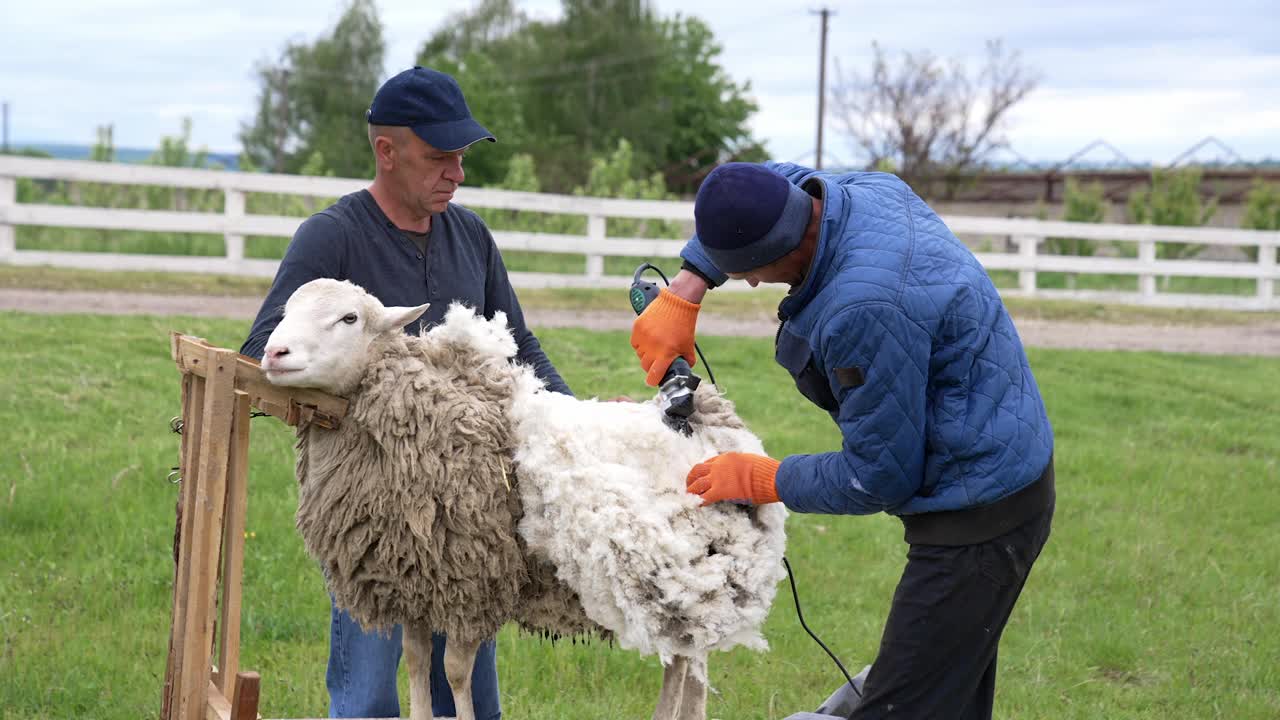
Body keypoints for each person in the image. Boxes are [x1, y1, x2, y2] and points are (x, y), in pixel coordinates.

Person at [630, 162, 1055, 719]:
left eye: (753, 271)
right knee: (947, 689)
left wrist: (763, 478)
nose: (754, 282)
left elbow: (879, 475)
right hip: (1005, 452)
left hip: (980, 509)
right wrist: (690, 283)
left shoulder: (863, 308)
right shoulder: (857, 192)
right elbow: (767, 178)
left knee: (904, 705)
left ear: (782, 248)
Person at [241, 66, 572, 720]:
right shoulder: (333, 237)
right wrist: (373, 403)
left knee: (469, 693)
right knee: (367, 697)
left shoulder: (471, 237)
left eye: (460, 158)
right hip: (370, 509)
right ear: (386, 152)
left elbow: (519, 343)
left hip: (465, 509)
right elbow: (261, 350)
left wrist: (570, 417)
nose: (456, 172)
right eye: (438, 158)